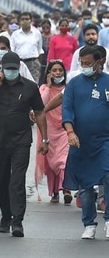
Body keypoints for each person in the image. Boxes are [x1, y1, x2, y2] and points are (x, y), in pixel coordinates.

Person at [0, 51, 48, 238]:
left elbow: (39, 112)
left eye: (14, 69)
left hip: (21, 140)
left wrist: (45, 138)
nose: (11, 72)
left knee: (17, 181)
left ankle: (17, 222)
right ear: (2, 69)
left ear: (19, 68)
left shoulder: (30, 87)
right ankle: (6, 216)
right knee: (2, 179)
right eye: (8, 69)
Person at [61, 45, 109, 240]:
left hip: (105, 141)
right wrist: (70, 131)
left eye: (88, 63)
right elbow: (67, 107)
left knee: (108, 177)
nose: (85, 66)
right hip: (80, 142)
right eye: (82, 63)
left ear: (100, 62)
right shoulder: (74, 84)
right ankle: (89, 223)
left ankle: (108, 220)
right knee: (85, 185)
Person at [34, 60, 71, 204]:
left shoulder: (68, 88)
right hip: (48, 129)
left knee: (63, 160)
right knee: (51, 163)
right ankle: (54, 192)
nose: (57, 73)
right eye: (54, 71)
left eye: (60, 70)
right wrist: (48, 87)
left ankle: (66, 188)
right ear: (49, 73)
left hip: (64, 127)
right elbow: (41, 105)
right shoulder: (43, 88)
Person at [10, 12, 43, 83]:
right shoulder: (15, 34)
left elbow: (40, 50)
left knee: (34, 84)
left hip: (33, 63)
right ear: (19, 21)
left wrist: (38, 64)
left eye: (27, 19)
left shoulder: (37, 33)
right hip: (20, 62)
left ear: (31, 20)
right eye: (23, 19)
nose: (25, 21)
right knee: (20, 83)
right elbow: (12, 51)